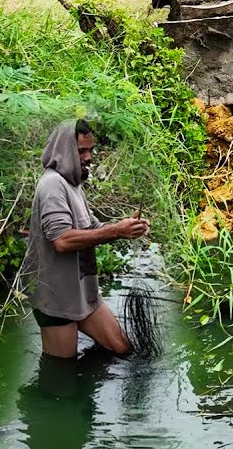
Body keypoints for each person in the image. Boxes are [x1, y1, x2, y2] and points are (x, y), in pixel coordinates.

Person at [23, 119, 149, 359]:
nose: (89, 157)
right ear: (65, 150)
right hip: (56, 296)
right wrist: (116, 231)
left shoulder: (73, 184)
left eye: (90, 150)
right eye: (81, 151)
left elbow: (92, 227)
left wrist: (128, 227)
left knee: (122, 349)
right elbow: (61, 240)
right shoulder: (52, 185)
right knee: (62, 374)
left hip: (82, 291)